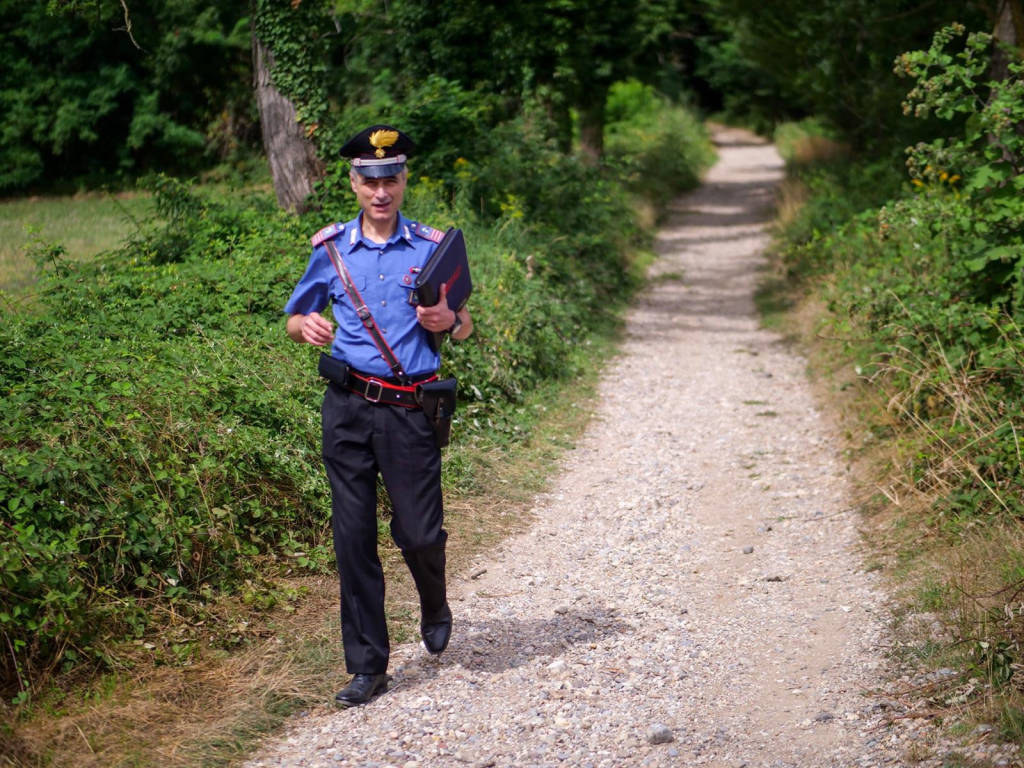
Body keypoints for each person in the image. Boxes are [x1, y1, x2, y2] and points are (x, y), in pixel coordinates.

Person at [283, 124, 473, 707]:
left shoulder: (432, 248)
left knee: (419, 533)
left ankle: (434, 601)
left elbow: (464, 322)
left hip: (409, 410)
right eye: (369, 179)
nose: (380, 190)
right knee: (352, 538)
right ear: (353, 183)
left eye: (390, 178)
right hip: (346, 410)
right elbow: (295, 317)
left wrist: (450, 323)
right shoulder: (331, 250)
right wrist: (304, 327)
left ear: (404, 180)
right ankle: (368, 666)